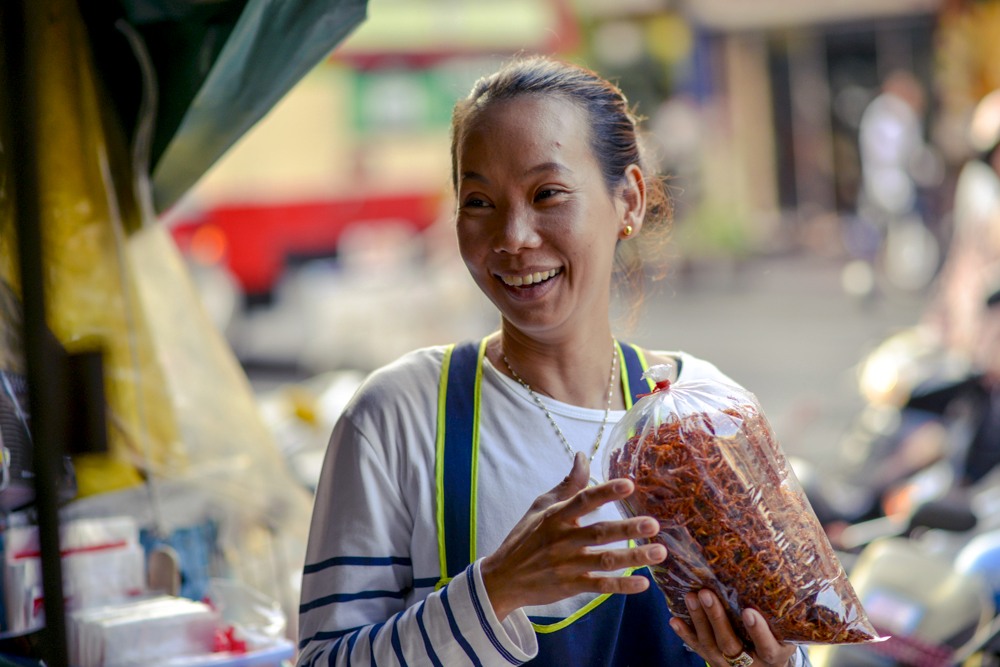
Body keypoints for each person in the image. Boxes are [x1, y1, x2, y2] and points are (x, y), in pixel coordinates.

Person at [296, 55, 808, 667]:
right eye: (479, 200)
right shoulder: (397, 419)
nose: (513, 236)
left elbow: (786, 644)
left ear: (630, 202)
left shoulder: (707, 411)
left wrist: (768, 660)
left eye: (548, 194)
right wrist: (497, 590)